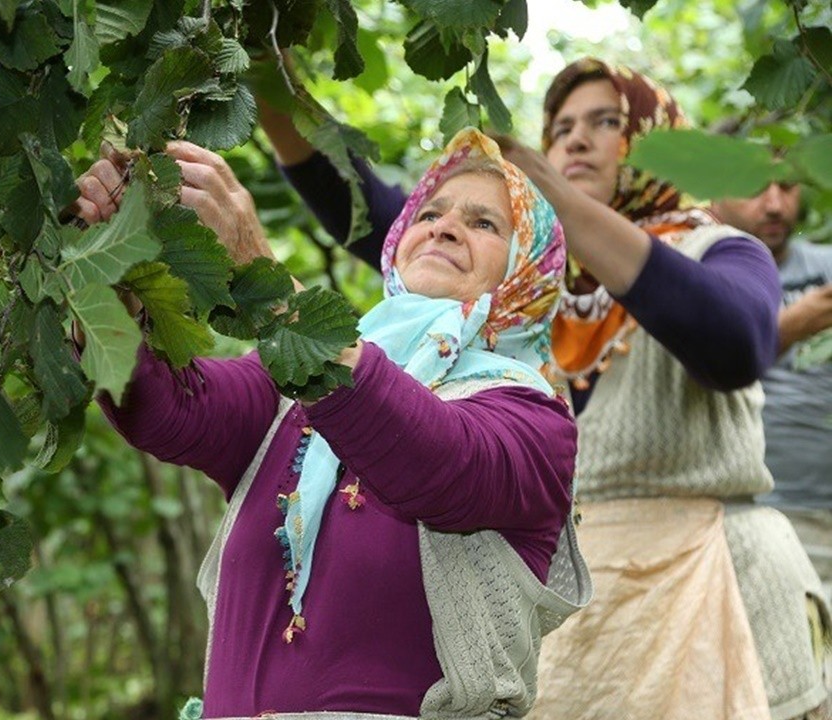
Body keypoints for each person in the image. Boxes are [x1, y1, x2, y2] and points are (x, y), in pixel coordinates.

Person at [263, 58, 828, 719]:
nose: (578, 139)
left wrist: (555, 194)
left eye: (606, 122)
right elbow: (363, 206)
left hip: (715, 579)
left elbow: (734, 345)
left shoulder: (720, 250)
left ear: (655, 141)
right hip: (577, 610)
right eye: (561, 128)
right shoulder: (519, 288)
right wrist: (271, 80)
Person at [74, 129, 590, 718]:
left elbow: (432, 460)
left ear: (531, 270)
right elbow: (166, 409)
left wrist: (262, 277)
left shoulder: (535, 421)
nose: (444, 227)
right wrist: (109, 271)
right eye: (430, 211)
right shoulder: (288, 387)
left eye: (484, 224)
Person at [713, 181, 832, 597]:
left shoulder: (827, 267)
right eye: (756, 186)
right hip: (747, 516)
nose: (775, 205)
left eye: (787, 187)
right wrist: (788, 328)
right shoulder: (699, 276)